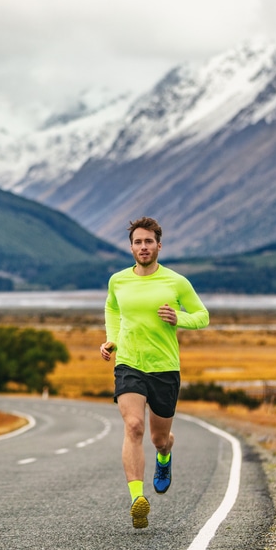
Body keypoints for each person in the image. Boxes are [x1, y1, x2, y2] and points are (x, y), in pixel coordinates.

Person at [100, 216, 209, 529]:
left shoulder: (175, 282)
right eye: (138, 242)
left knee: (158, 437)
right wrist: (112, 340)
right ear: (131, 247)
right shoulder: (118, 280)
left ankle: (165, 454)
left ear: (159, 245)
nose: (143, 247)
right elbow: (113, 309)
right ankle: (138, 499)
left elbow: (203, 316)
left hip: (164, 368)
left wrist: (179, 318)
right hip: (130, 363)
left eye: (149, 241)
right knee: (133, 426)